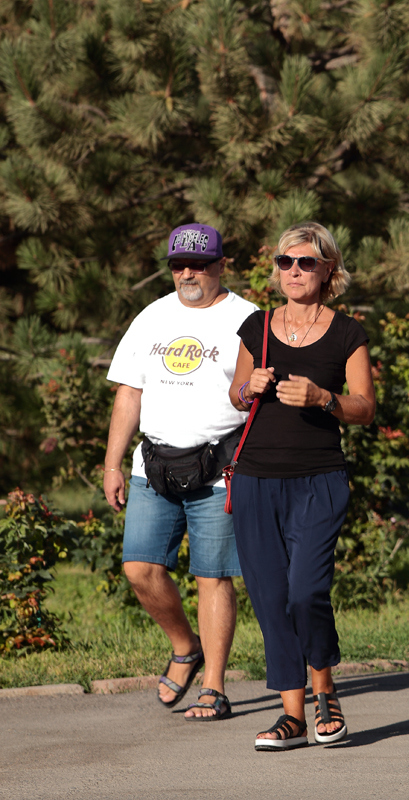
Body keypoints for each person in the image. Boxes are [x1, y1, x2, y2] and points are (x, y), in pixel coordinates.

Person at [228, 222, 375, 751]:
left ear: (328, 269)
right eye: (285, 262)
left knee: (306, 590)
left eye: (306, 262)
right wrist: (248, 389)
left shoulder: (347, 333)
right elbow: (235, 395)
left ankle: (325, 688)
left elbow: (365, 407)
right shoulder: (257, 326)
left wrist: (323, 399)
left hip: (319, 478)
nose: (293, 271)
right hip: (255, 478)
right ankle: (291, 714)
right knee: (270, 598)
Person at [103, 222, 257, 721]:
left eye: (199, 264)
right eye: (178, 265)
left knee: (213, 577)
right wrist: (112, 463)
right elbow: (129, 393)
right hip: (154, 466)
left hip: (219, 468)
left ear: (220, 265)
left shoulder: (247, 319)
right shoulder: (152, 316)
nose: (188, 274)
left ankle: (214, 687)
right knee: (139, 568)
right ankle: (185, 646)